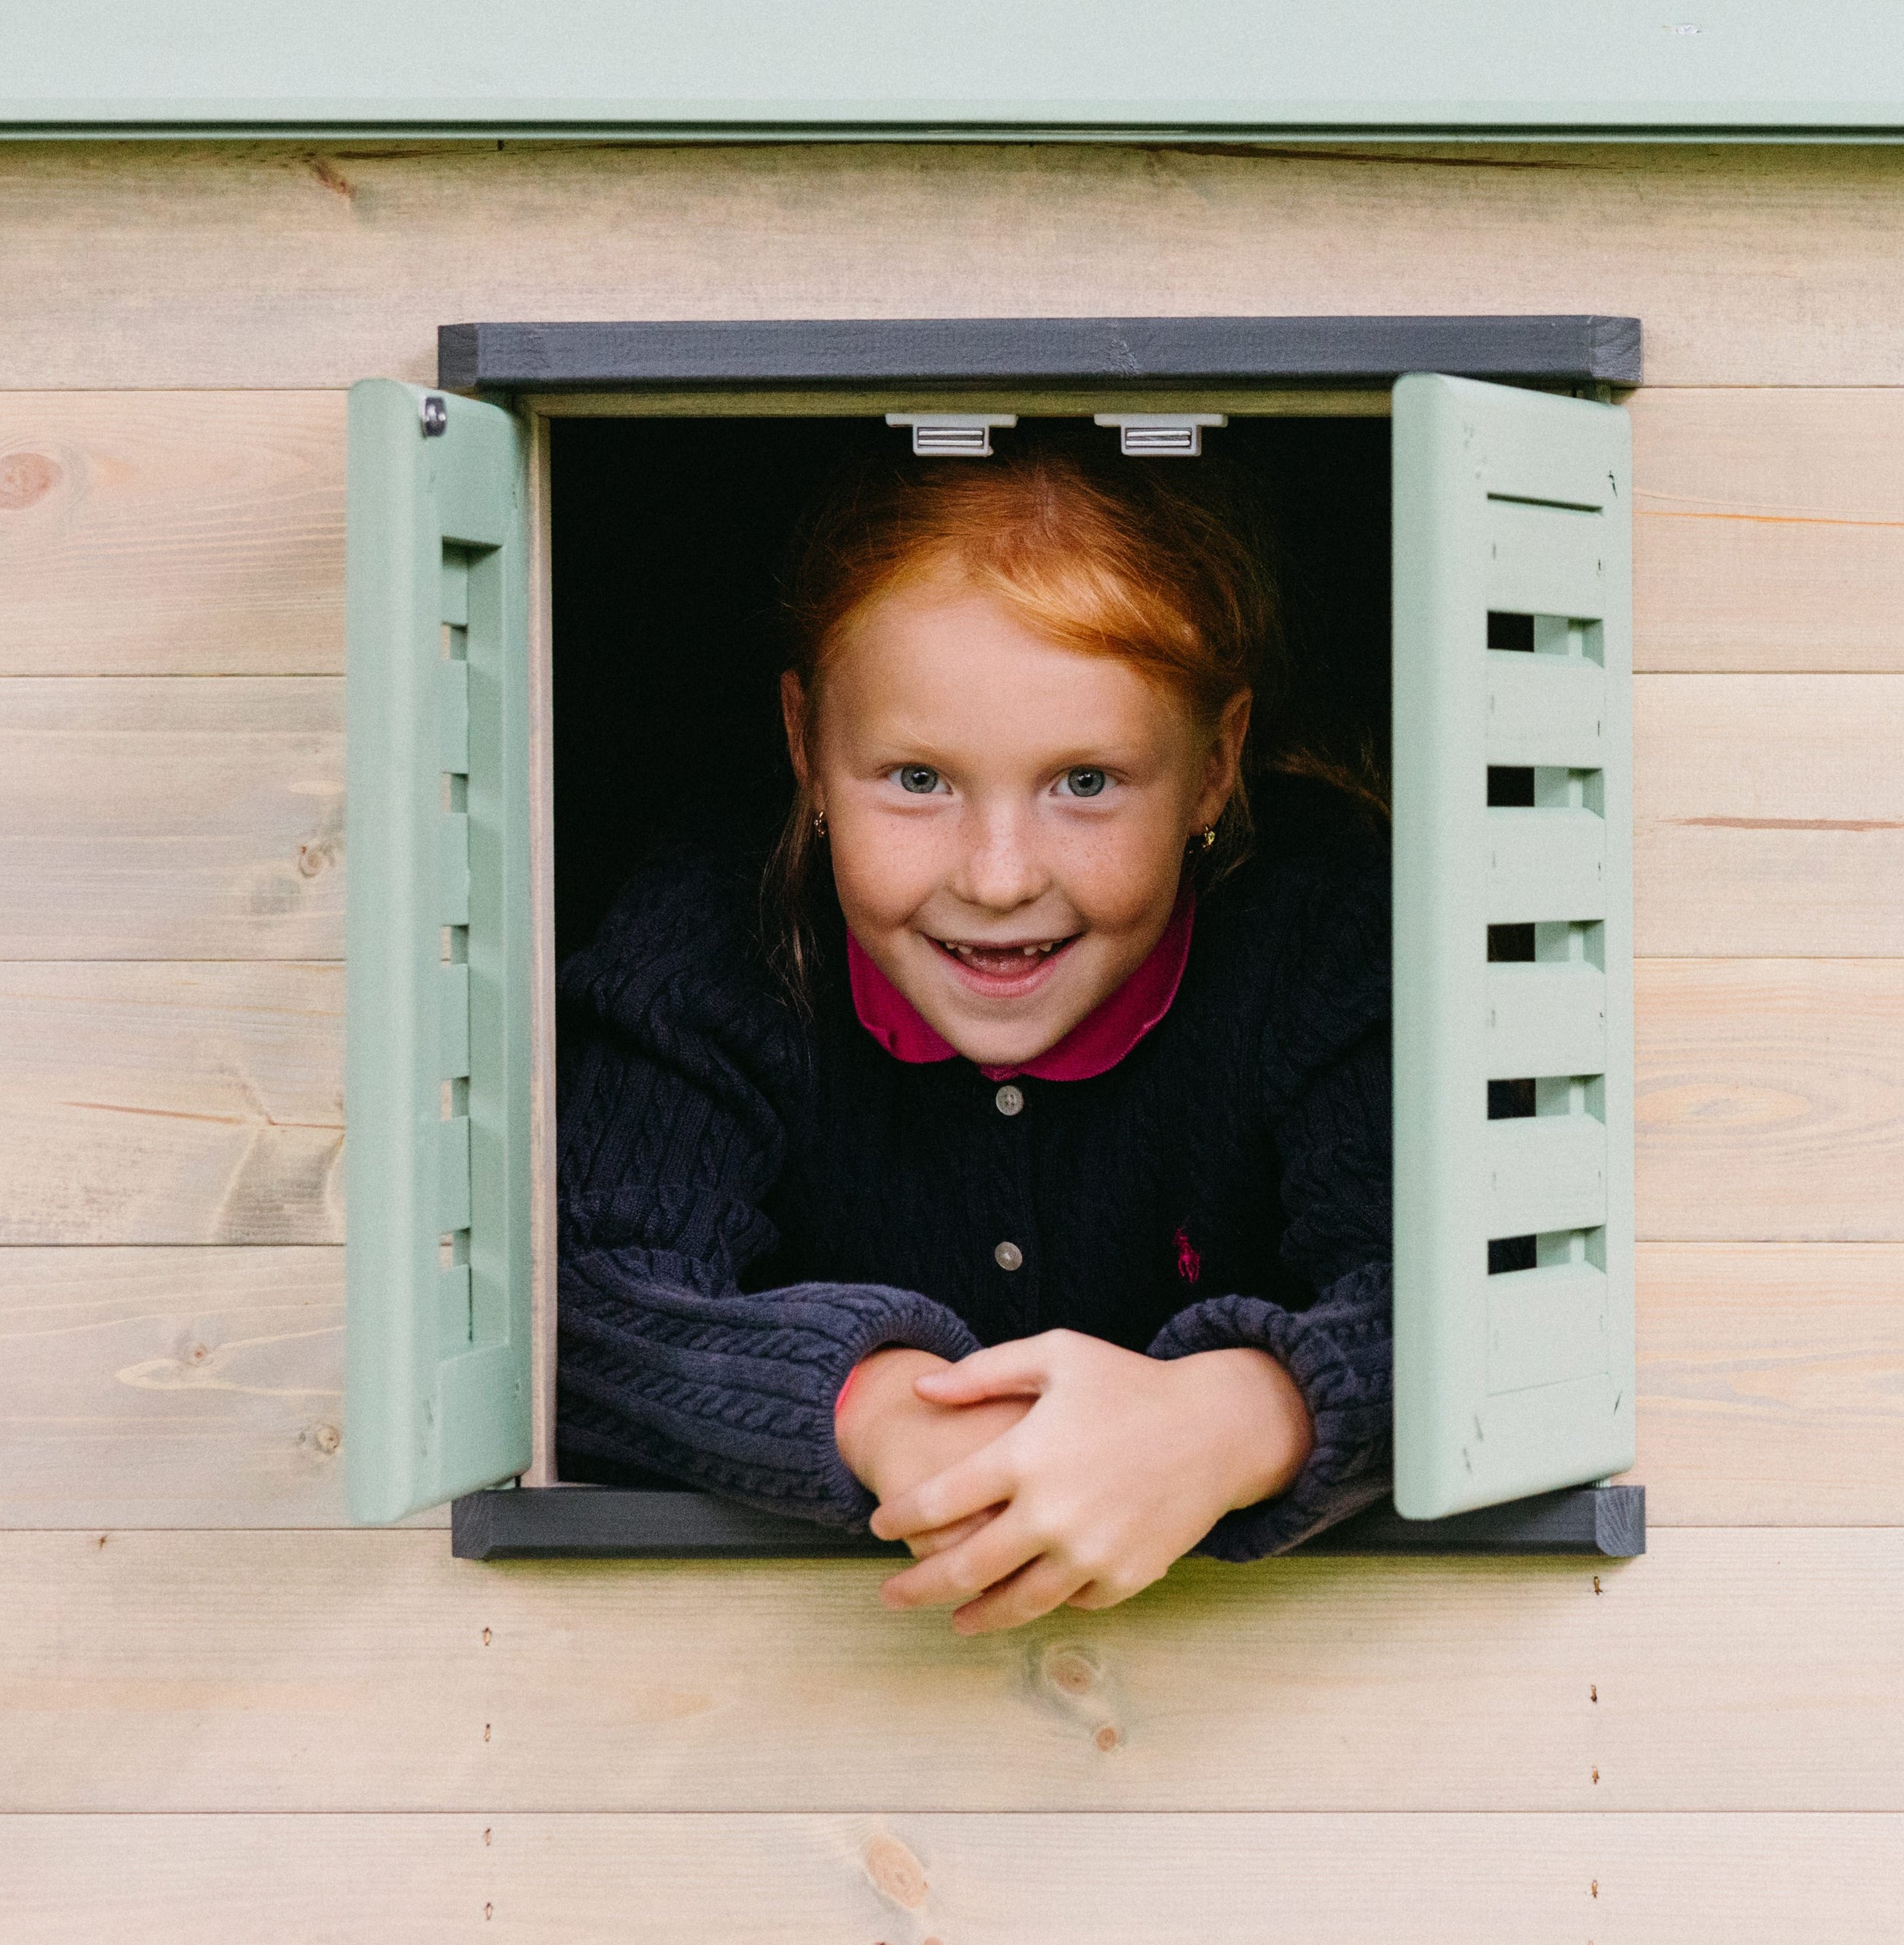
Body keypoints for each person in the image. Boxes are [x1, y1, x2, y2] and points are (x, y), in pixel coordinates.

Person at [553, 427, 1387, 1626]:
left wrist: (1247, 1414)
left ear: (1215, 765)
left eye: (1086, 783)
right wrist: (876, 1403)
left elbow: (1476, 1287)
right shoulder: (719, 930)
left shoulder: (1319, 931)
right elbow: (574, 1293)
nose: (998, 879)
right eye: (919, 779)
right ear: (804, 747)